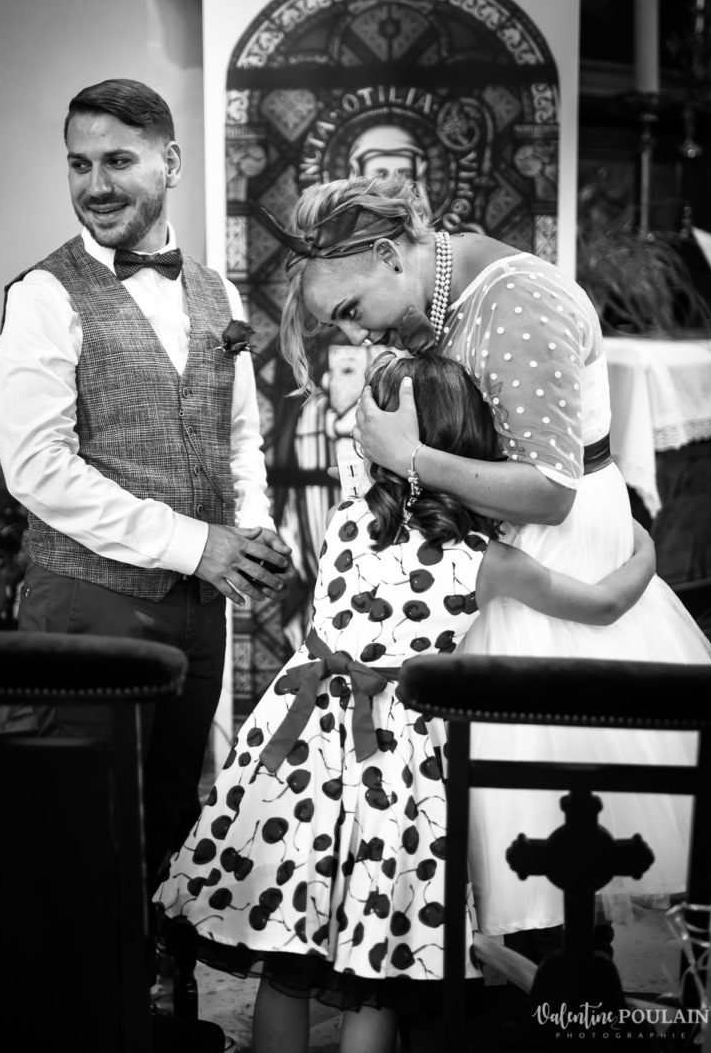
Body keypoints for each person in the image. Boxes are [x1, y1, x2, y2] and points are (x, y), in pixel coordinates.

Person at [154, 349, 658, 1053]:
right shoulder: (487, 561)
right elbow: (602, 604)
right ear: (472, 445)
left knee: (286, 954)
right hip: (393, 765)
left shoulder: (345, 518)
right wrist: (642, 548)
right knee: (375, 968)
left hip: (298, 747)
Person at [275, 173, 711, 947]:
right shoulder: (436, 296)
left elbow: (549, 491)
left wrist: (411, 460)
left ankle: (564, 979)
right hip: (485, 557)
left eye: (349, 310)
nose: (356, 334)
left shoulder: (518, 299)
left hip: (547, 555)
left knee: (549, 815)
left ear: (389, 255)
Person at [0, 78, 295, 899]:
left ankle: (159, 973)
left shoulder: (218, 292)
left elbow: (238, 433)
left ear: (171, 163)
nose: (95, 184)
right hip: (89, 602)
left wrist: (251, 529)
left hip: (198, 609)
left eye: (118, 160)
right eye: (79, 164)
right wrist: (198, 545)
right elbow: (38, 469)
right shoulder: (44, 296)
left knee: (171, 814)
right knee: (82, 823)